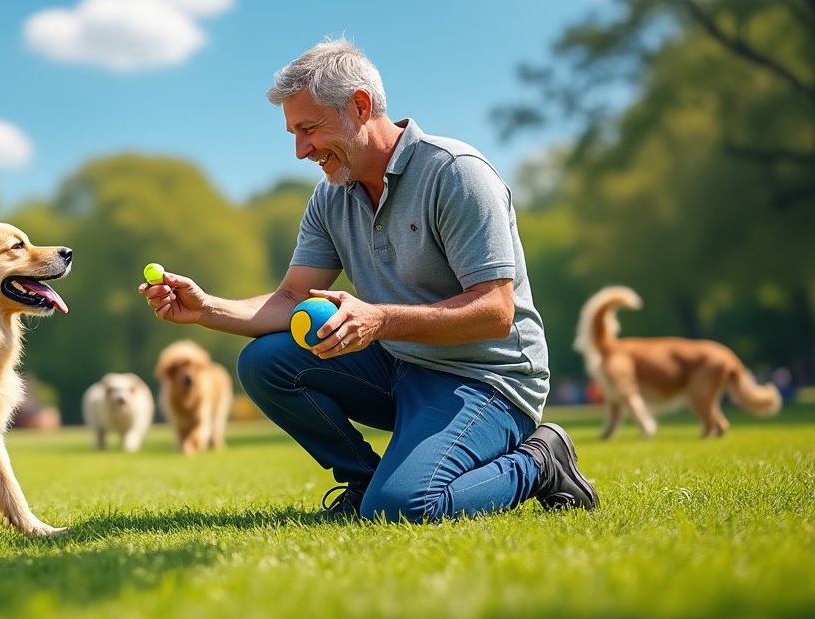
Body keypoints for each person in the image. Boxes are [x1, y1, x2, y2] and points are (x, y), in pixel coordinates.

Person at [139, 38, 598, 522]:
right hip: (398, 365)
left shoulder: (456, 174)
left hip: (485, 379)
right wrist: (206, 307)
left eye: (309, 129)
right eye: (294, 134)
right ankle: (364, 482)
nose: (300, 151)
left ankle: (541, 461)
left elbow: (495, 311)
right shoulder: (330, 197)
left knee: (406, 508)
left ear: (360, 106)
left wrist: (378, 320)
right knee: (266, 361)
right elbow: (291, 298)